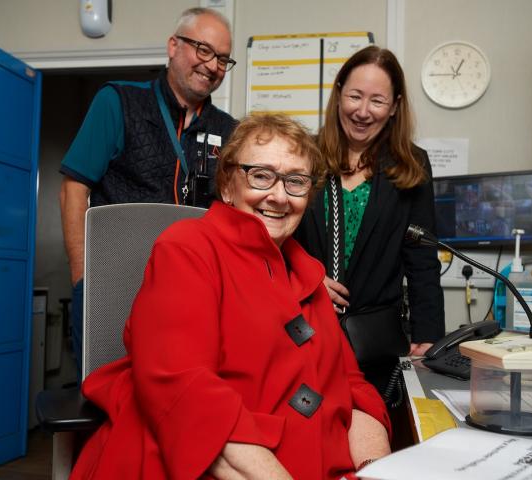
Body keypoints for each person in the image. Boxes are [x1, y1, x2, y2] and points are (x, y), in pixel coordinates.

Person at [69, 114, 391, 480]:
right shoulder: (187, 249)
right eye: (261, 175)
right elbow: (187, 392)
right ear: (227, 186)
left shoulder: (308, 274)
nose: (279, 196)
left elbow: (352, 387)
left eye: (296, 181)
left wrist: (373, 469)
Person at [59, 7, 237, 377]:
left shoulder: (229, 130)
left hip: (190, 295)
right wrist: (82, 281)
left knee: (179, 402)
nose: (212, 65)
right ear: (173, 46)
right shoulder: (118, 102)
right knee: (104, 402)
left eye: (222, 58)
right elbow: (74, 189)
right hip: (114, 286)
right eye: (203, 50)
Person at [295, 46, 445, 391]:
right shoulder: (304, 156)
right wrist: (305, 278)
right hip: (304, 331)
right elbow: (274, 242)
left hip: (375, 345)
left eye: (377, 101)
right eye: (355, 96)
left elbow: (422, 259)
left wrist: (428, 334)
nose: (363, 112)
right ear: (338, 96)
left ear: (394, 107)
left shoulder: (413, 165)